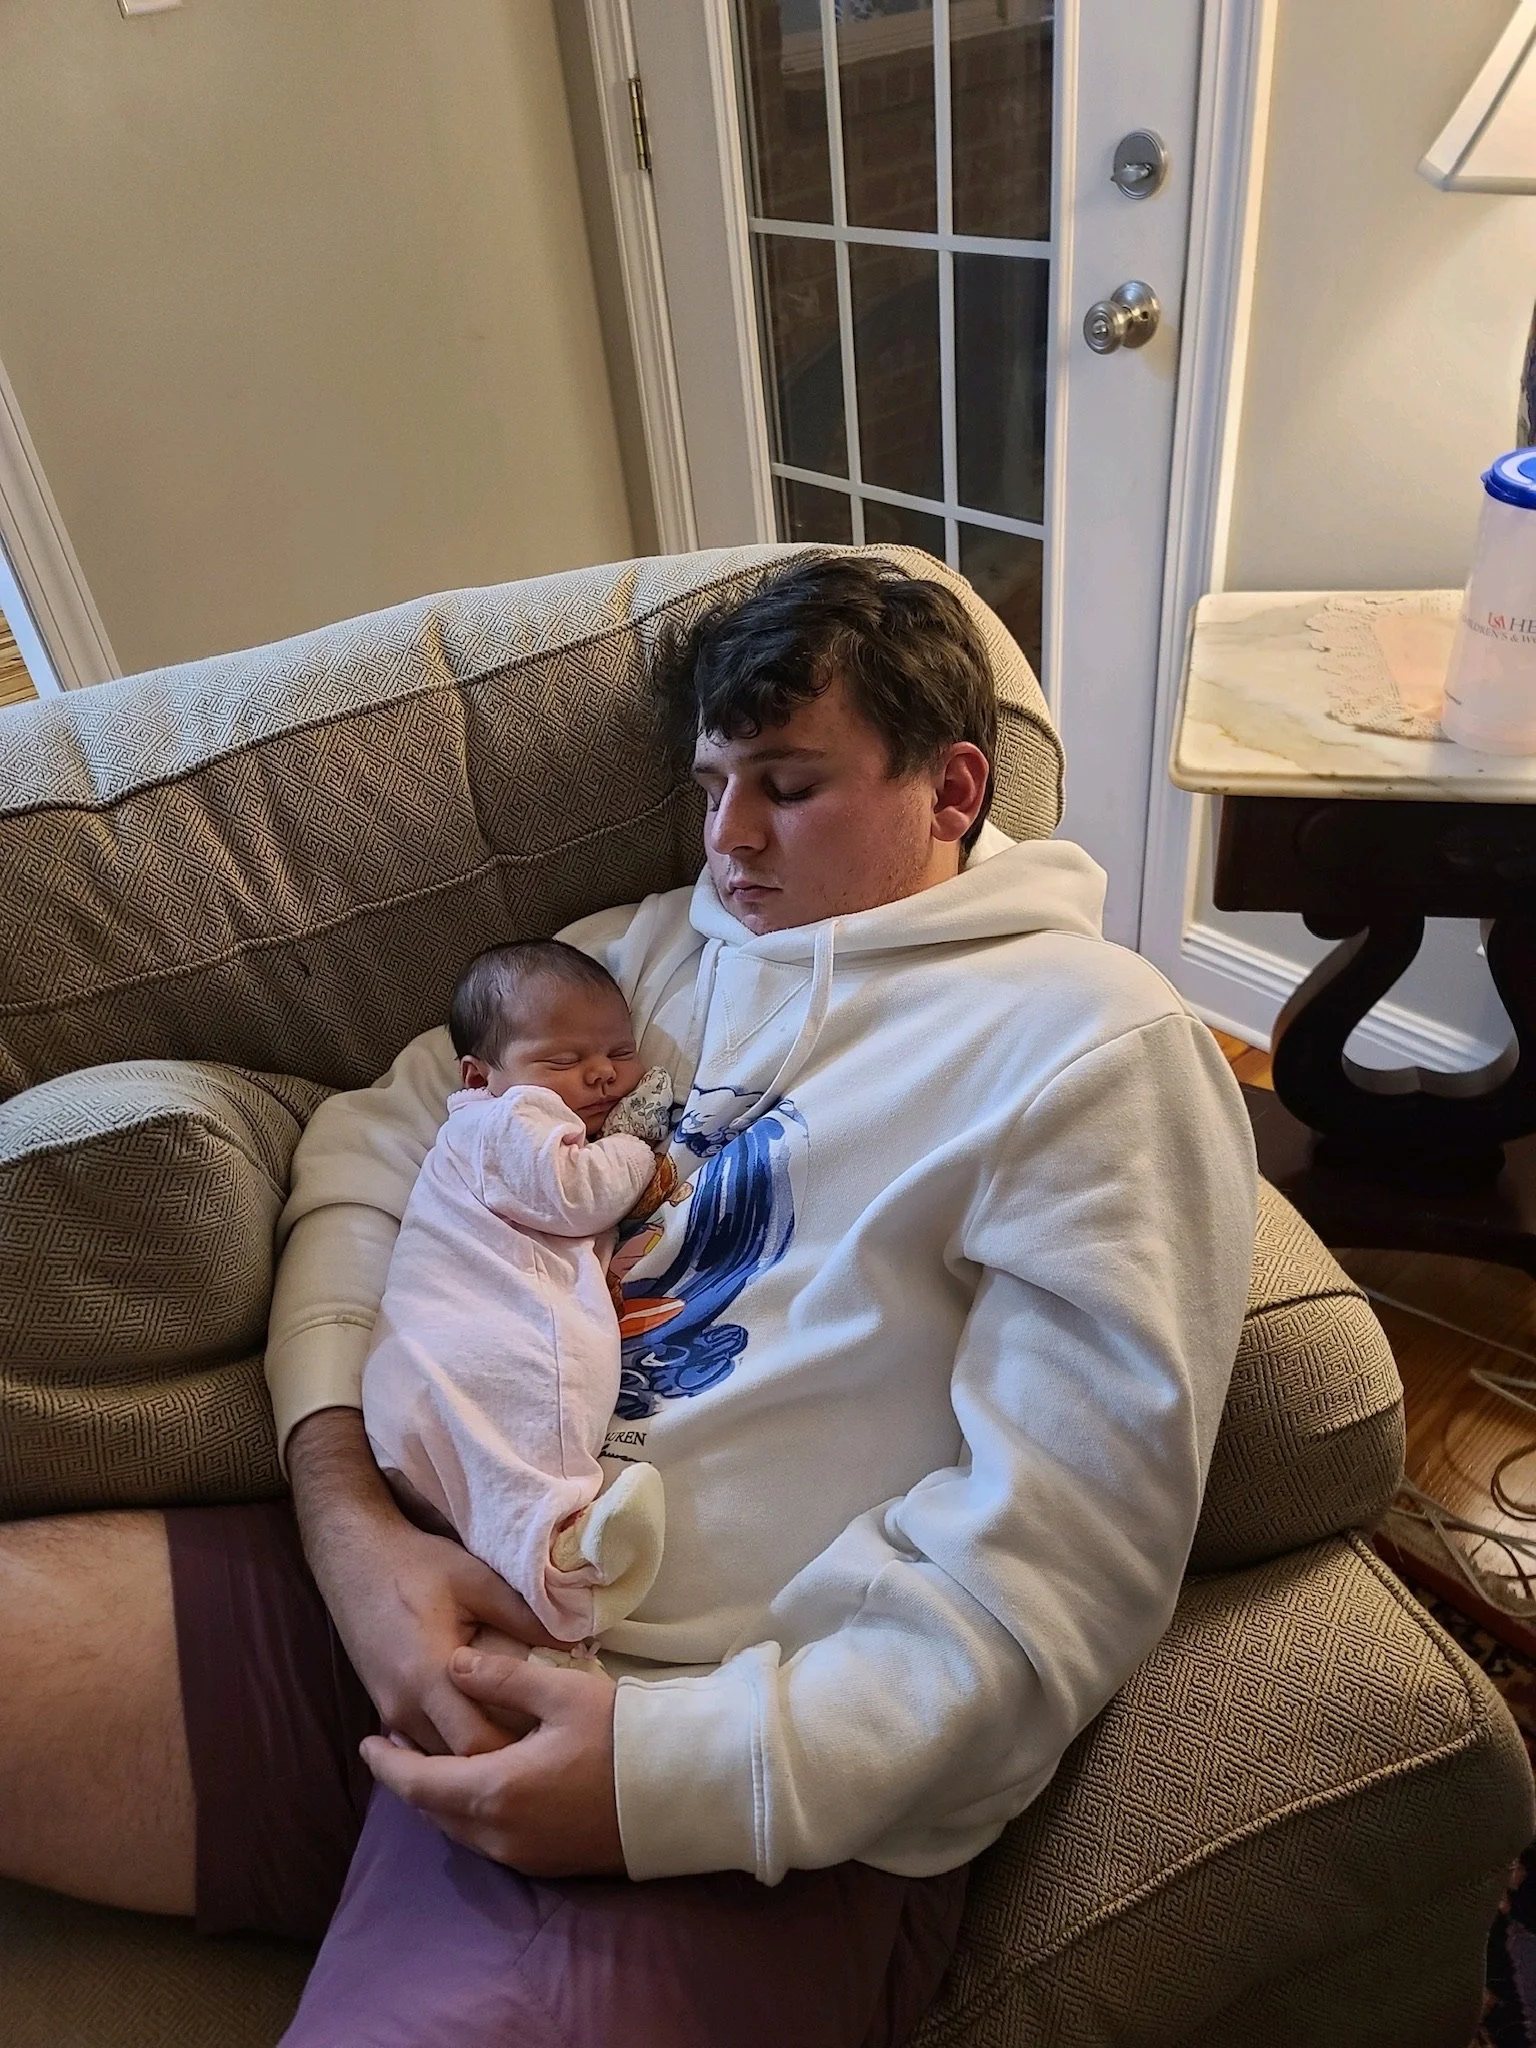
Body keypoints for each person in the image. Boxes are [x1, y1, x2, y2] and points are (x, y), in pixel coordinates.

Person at [0, 556, 1257, 2048]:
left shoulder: (1097, 1051)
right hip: (420, 1593)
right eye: (711, 784)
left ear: (952, 790)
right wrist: (349, 1527)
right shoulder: (640, 955)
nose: (727, 839)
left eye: (786, 787)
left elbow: (1064, 1565)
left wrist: (667, 1776)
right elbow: (374, 1149)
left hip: (705, 1749)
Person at [361, 938, 672, 1645]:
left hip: (415, 1380)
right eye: (562, 1060)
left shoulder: (490, 1134)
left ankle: (521, 1606)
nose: (600, 1075)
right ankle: (564, 1570)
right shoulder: (504, 1119)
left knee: (488, 1503)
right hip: (484, 1346)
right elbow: (570, 1193)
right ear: (480, 1076)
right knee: (542, 1427)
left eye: (619, 1054)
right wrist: (631, 1145)